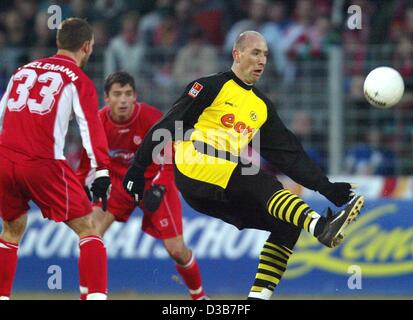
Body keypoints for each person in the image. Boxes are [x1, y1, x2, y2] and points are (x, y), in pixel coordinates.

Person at [122, 30, 365, 300]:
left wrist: (326, 188)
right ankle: (321, 227)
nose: (262, 61)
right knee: (260, 181)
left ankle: (257, 299)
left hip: (217, 188)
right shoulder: (210, 86)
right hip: (195, 165)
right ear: (237, 54)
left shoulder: (261, 107)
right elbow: (167, 124)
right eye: (255, 53)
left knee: (286, 223)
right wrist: (137, 168)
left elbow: (288, 155)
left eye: (265, 55)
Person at [0, 18, 111, 300]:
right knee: (90, 228)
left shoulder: (23, 70)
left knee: (12, 229)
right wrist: (101, 171)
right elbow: (90, 126)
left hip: (4, 160)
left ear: (59, 43)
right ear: (86, 47)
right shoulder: (77, 79)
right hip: (42, 163)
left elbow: (2, 115)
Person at [76, 71, 208, 300]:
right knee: (89, 234)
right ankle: (88, 296)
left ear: (135, 96)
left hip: (152, 182)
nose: (123, 99)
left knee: (176, 250)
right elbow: (85, 165)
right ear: (106, 98)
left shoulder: (150, 117)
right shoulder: (96, 123)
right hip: (117, 185)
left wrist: (160, 186)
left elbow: (170, 155)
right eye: (117, 94)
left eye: (128, 94)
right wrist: (78, 191)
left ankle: (199, 297)